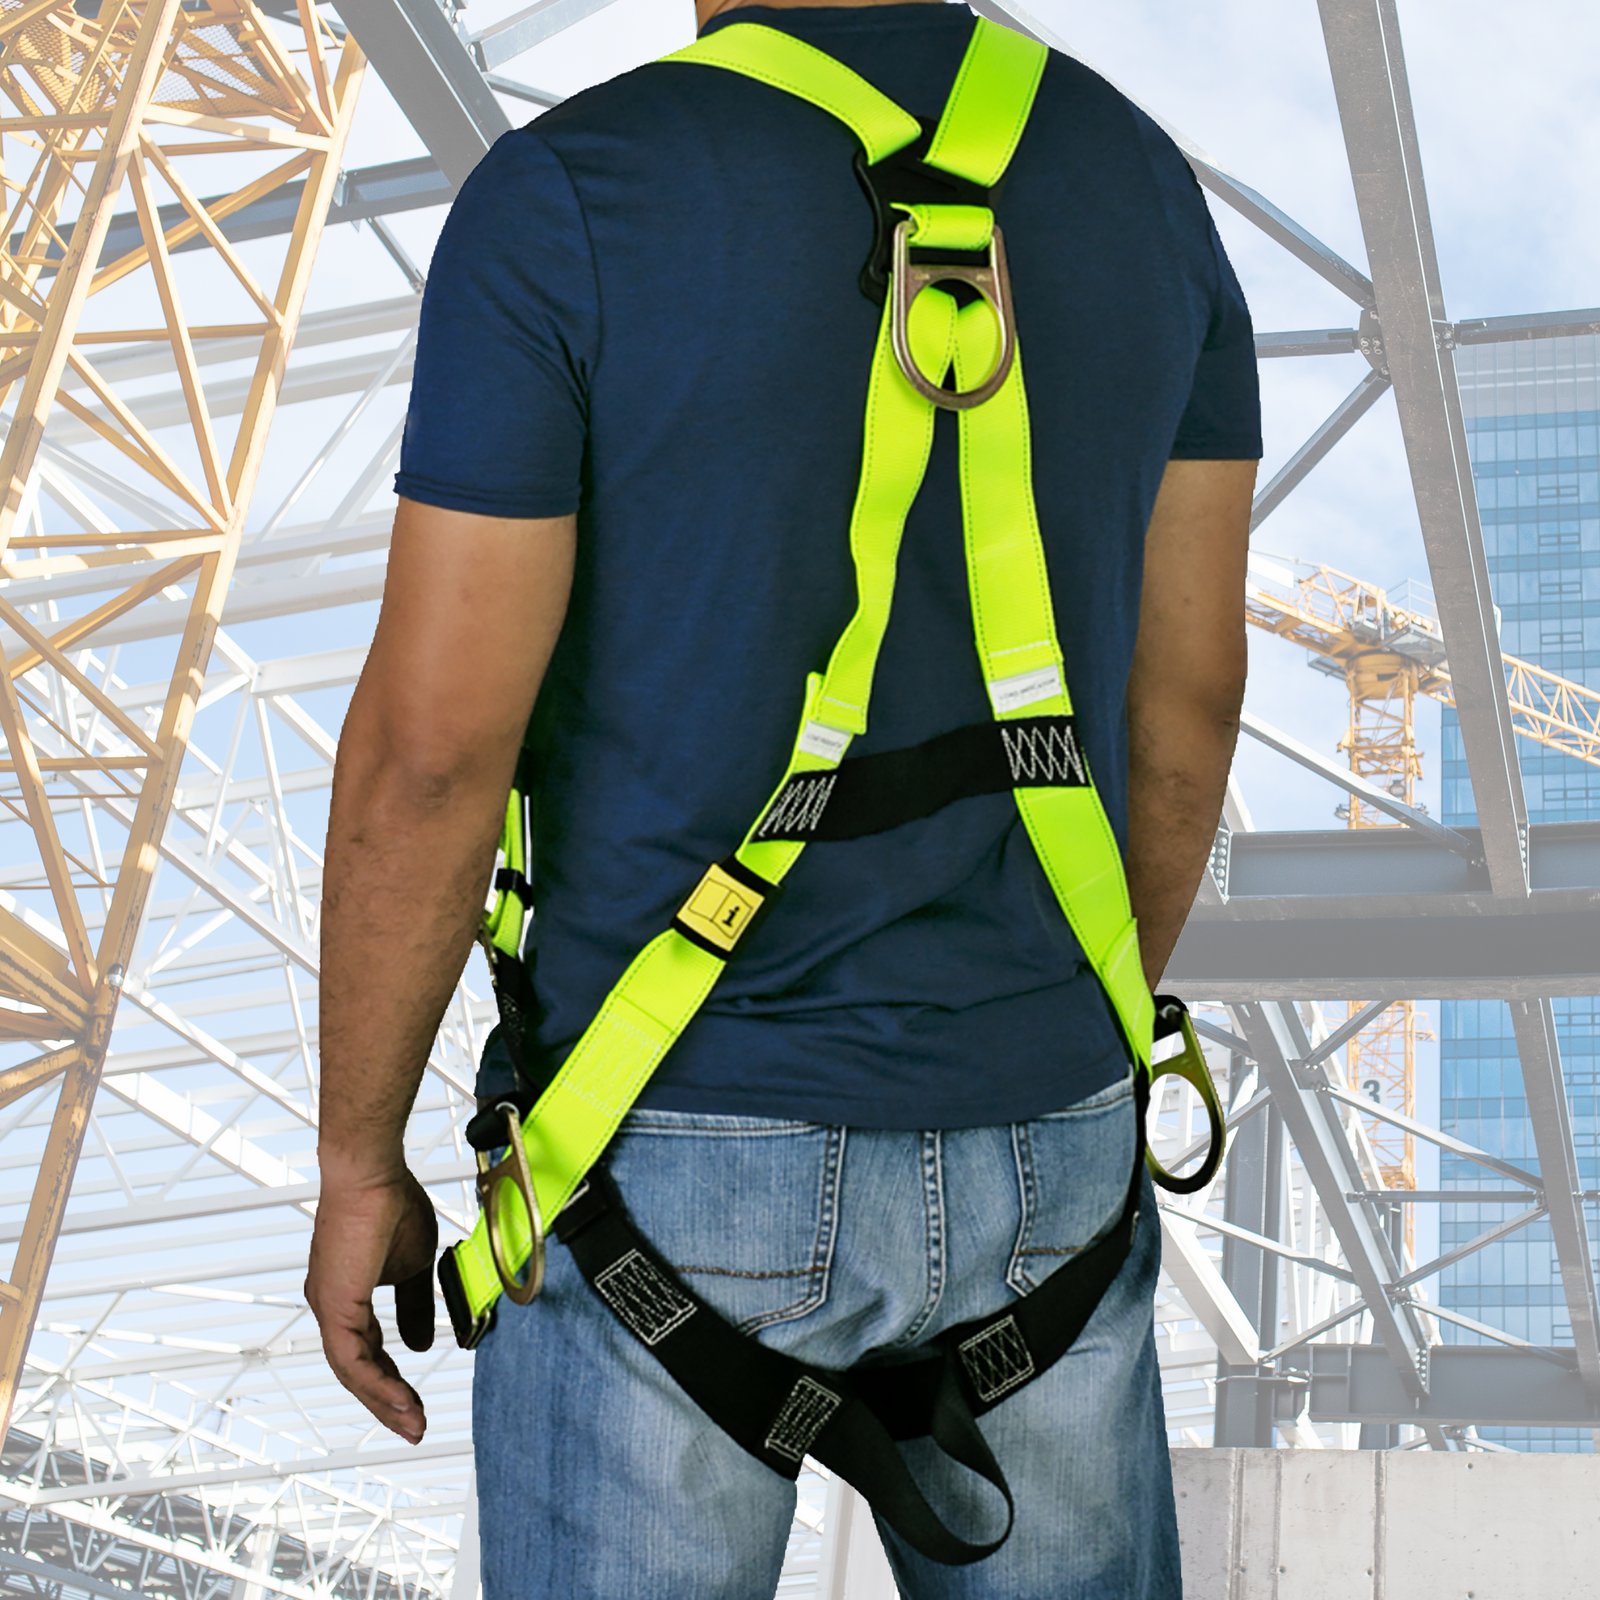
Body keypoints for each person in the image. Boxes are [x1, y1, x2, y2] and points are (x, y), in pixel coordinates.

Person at [306, 0, 1260, 1594]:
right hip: (1051, 1155)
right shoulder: (1147, 188)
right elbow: (1191, 705)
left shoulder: (576, 194)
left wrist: (356, 1159)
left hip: (660, 1148)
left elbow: (431, 750)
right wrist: (1068, 1026)